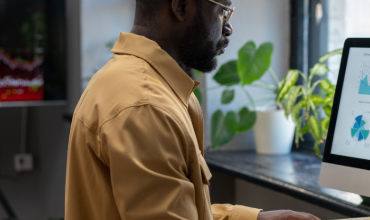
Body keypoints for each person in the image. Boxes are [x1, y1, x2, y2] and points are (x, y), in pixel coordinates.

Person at [65, 0, 321, 220]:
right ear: (181, 6)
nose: (228, 27)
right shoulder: (146, 107)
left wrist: (254, 218)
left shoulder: (134, 81)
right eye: (222, 10)